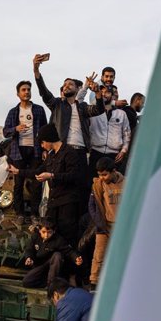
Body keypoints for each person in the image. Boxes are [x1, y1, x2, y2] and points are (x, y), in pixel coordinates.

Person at [33, 53, 105, 210]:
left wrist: (98, 93)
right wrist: (36, 70)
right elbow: (44, 93)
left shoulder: (82, 107)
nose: (66, 86)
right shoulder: (57, 104)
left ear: (77, 88)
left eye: (70, 84)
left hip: (80, 152)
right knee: (58, 188)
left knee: (80, 189)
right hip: (63, 151)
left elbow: (99, 109)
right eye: (64, 84)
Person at [9, 124, 83, 247]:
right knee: (50, 232)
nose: (42, 146)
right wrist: (18, 172)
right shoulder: (51, 155)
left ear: (48, 139)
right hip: (54, 202)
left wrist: (52, 175)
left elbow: (74, 176)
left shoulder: (69, 153)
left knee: (67, 234)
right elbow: (38, 171)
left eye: (42, 143)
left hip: (67, 202)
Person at [3, 80, 48, 221]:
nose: (27, 92)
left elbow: (44, 130)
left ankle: (34, 214)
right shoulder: (13, 112)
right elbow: (5, 132)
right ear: (18, 94)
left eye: (28, 89)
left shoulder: (39, 110)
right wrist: (15, 129)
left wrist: (45, 148)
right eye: (23, 90)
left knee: (36, 182)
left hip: (35, 149)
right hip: (18, 150)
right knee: (18, 183)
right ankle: (20, 213)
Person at [88, 157, 125, 290]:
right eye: (100, 174)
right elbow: (92, 206)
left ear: (114, 171)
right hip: (104, 226)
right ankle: (94, 284)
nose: (102, 177)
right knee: (99, 255)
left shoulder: (126, 182)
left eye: (105, 174)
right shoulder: (98, 184)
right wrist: (99, 223)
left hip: (121, 227)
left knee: (120, 256)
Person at [22, 218, 82, 288]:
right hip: (40, 266)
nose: (46, 235)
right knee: (26, 282)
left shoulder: (58, 240)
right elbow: (29, 249)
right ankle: (49, 283)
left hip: (54, 268)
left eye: (49, 232)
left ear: (54, 231)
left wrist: (76, 258)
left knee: (57, 255)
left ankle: (51, 285)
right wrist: (29, 258)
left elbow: (69, 251)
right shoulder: (35, 236)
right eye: (43, 232)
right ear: (39, 230)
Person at [88, 84, 131, 177]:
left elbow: (126, 134)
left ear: (112, 95)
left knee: (113, 186)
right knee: (93, 184)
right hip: (95, 152)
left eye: (107, 92)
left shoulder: (122, 114)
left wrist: (123, 150)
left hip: (114, 155)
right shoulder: (92, 111)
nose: (103, 94)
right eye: (101, 92)